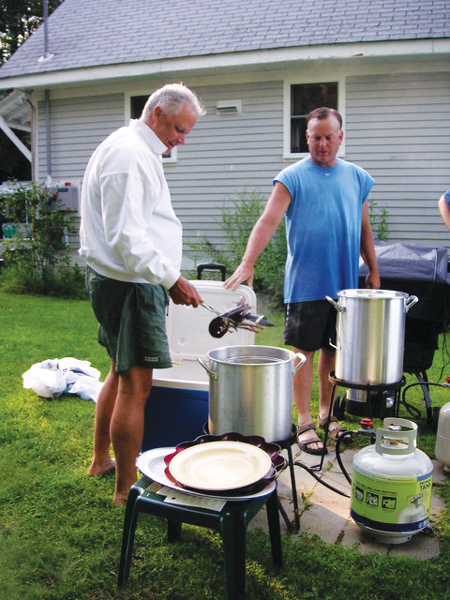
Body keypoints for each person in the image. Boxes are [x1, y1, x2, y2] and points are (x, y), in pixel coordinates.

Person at [225, 107, 380, 455]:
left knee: (334, 352)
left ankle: (328, 414)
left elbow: (365, 230)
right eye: (316, 138)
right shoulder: (291, 177)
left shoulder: (357, 178)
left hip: (345, 287)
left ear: (340, 137)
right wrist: (248, 261)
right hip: (307, 284)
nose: (322, 144)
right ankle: (305, 421)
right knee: (303, 353)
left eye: (329, 137)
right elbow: (268, 221)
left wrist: (373, 268)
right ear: (306, 138)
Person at [79, 83, 205, 505]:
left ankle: (101, 462)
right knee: (137, 386)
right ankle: (125, 491)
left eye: (186, 132)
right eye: (178, 129)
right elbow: (127, 239)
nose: (181, 140)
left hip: (122, 282)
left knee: (118, 371)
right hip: (130, 286)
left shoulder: (131, 146)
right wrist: (172, 279)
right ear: (156, 114)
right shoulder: (130, 155)